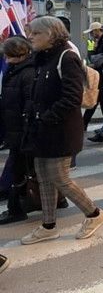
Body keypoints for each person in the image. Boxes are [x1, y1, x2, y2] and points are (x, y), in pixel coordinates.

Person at [21, 16, 103, 244]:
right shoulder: (42, 57)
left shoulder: (66, 57)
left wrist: (47, 118)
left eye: (35, 33)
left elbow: (72, 96)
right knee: (43, 177)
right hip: (42, 128)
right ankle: (48, 226)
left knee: (60, 178)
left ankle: (94, 214)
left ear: (50, 34)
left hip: (61, 130)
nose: (31, 37)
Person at [0, 36, 36, 225]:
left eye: (8, 56)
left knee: (19, 170)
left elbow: (28, 104)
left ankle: (15, 209)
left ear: (18, 54)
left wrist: (25, 131)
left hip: (22, 132)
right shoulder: (16, 70)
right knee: (23, 169)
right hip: (14, 129)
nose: (6, 60)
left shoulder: (26, 73)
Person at [82, 22, 103, 131]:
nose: (91, 34)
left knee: (98, 97)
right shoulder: (101, 41)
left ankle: (85, 123)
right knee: (100, 98)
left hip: (102, 74)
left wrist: (96, 64)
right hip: (99, 74)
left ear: (96, 30)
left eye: (92, 32)